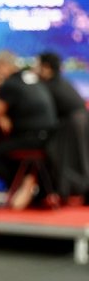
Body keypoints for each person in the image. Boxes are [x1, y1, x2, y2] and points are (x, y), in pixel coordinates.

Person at [0, 51, 58, 209]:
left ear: (4, 66)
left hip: (31, 138)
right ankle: (27, 183)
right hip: (50, 136)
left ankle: (19, 184)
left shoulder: (10, 84)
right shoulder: (30, 78)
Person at [36, 51, 89, 202]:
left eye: (38, 65)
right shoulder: (63, 82)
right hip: (82, 124)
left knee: (53, 151)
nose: (36, 69)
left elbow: (47, 116)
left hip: (72, 127)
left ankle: (59, 190)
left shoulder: (47, 86)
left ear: (46, 68)